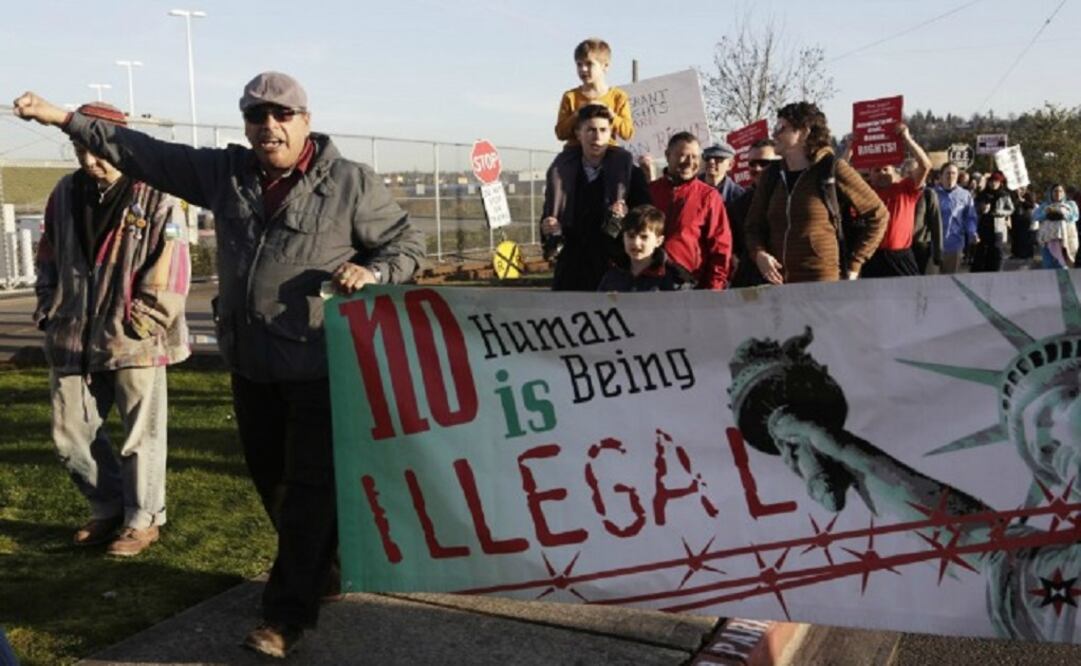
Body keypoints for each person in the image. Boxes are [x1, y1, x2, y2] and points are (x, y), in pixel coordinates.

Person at [14, 72, 425, 659]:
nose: (269, 126)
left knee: (310, 488)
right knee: (271, 482)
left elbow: (405, 247)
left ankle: (285, 617)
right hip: (252, 365)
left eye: (281, 115)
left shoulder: (350, 184)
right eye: (256, 116)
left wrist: (374, 272)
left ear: (305, 119)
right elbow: (144, 153)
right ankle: (322, 569)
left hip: (319, 366)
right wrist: (62, 118)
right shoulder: (226, 175)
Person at [33, 102, 190, 558]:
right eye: (80, 149)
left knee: (142, 434)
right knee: (70, 429)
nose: (89, 160)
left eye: (97, 149)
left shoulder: (157, 194)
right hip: (72, 333)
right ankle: (108, 506)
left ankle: (142, 519)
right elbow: (48, 252)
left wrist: (142, 320)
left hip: (135, 338)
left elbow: (171, 264)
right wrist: (48, 306)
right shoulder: (64, 193)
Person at [745, 102, 887, 285]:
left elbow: (879, 214)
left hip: (823, 282)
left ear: (804, 132)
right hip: (778, 283)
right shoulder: (770, 175)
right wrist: (759, 254)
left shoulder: (832, 169)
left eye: (781, 127)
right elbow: (752, 226)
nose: (774, 134)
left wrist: (855, 264)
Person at [542, 104, 651, 291]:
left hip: (613, 268)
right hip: (571, 268)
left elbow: (646, 217)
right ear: (578, 133)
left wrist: (625, 218)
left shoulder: (629, 173)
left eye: (603, 130)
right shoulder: (560, 173)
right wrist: (550, 228)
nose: (597, 137)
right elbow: (549, 217)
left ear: (611, 133)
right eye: (591, 130)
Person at [649, 132, 732, 290]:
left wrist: (714, 289)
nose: (689, 162)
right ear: (667, 155)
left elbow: (721, 248)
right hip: (650, 284)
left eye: (695, 157)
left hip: (690, 285)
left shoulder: (708, 196)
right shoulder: (650, 192)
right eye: (682, 155)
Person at [861, 123, 932, 278]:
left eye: (886, 169)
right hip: (872, 257)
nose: (881, 173)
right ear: (870, 174)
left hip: (900, 257)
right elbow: (838, 176)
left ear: (894, 172)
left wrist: (907, 139)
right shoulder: (864, 192)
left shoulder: (906, 188)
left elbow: (925, 165)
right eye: (877, 170)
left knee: (909, 299)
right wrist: (850, 149)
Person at [554, 38, 634, 147]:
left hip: (608, 151)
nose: (583, 69)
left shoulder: (618, 97)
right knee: (561, 162)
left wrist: (611, 114)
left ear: (605, 66)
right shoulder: (570, 97)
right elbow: (560, 133)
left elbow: (628, 133)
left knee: (625, 159)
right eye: (579, 64)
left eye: (589, 64)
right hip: (576, 151)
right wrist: (578, 113)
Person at [596, 204, 691, 292]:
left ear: (658, 241)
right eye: (631, 236)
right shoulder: (613, 277)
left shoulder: (674, 280)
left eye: (644, 237)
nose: (636, 243)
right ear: (623, 238)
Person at [728, 140, 781, 287]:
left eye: (764, 163)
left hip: (791, 280)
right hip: (751, 285)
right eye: (752, 163)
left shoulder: (795, 197)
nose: (757, 168)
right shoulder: (738, 205)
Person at [933, 163, 979, 274]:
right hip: (934, 246)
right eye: (947, 173)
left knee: (950, 282)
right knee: (932, 283)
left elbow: (970, 217)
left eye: (954, 173)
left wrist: (972, 232)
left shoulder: (964, 195)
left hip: (954, 245)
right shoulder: (932, 194)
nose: (951, 176)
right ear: (941, 176)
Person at [971, 171, 1014, 272]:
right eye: (991, 182)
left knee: (997, 251)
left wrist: (1000, 212)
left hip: (997, 228)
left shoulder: (1004, 195)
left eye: (996, 182)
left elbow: (1011, 209)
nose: (993, 184)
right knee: (982, 251)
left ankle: (995, 271)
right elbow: (974, 208)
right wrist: (982, 209)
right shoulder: (982, 194)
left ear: (1000, 183)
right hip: (983, 226)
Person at [905, 160, 943, 275]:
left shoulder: (928, 194)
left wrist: (938, 253)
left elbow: (936, 225)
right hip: (901, 248)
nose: (910, 176)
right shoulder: (899, 193)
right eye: (907, 173)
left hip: (920, 246)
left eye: (913, 172)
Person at [1035, 183, 1080, 269]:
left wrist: (1063, 214)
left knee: (1063, 265)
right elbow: (1036, 216)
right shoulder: (1045, 205)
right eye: (1055, 191)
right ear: (1051, 193)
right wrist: (1047, 214)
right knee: (1049, 265)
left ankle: (1064, 282)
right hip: (1048, 239)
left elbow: (1075, 216)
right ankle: (1049, 282)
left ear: (1064, 193)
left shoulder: (1071, 204)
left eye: (1060, 191)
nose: (1058, 193)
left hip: (1065, 239)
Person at [699, 141, 745, 205]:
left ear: (730, 165)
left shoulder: (739, 196)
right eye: (708, 158)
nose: (711, 161)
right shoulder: (690, 188)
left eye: (718, 158)